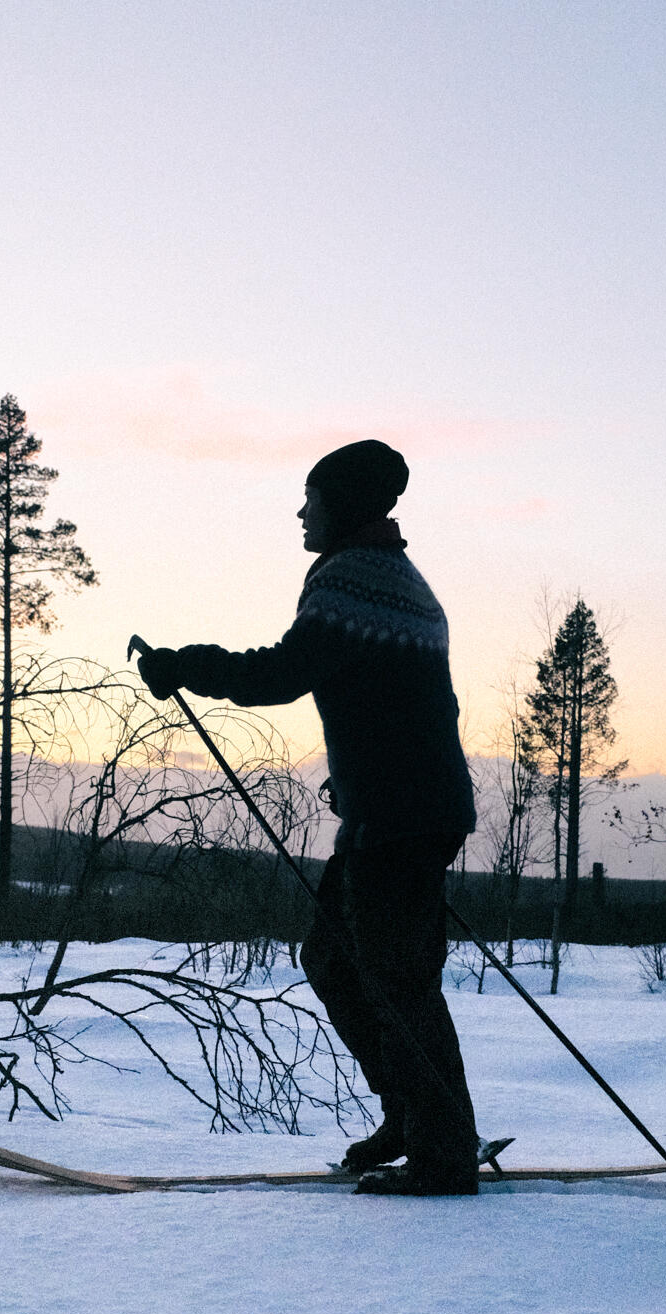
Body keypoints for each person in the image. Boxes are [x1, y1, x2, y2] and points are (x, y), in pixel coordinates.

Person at [137, 439, 480, 1195]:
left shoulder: (354, 580)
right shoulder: (395, 578)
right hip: (395, 813)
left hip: (400, 817)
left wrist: (182, 664)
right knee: (334, 959)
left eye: (311, 497)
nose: (301, 510)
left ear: (345, 505)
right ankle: (410, 1118)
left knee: (398, 981)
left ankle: (445, 1155)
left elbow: (281, 674)